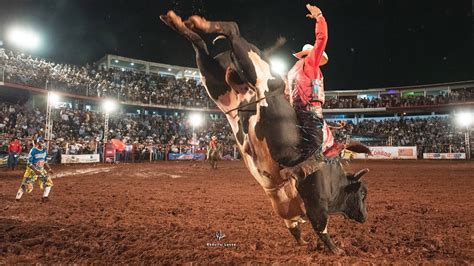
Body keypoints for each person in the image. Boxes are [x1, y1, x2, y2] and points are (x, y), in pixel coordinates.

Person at [280, 3, 330, 181]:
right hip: (310, 110)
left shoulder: (293, 69)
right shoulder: (311, 63)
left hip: (294, 111)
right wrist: (320, 17)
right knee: (317, 150)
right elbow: (322, 39)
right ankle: (298, 173)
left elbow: (287, 92)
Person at [15, 136, 54, 202]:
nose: (44, 143)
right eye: (42, 141)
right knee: (28, 186)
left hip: (41, 170)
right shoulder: (33, 150)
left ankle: (45, 197)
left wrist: (49, 169)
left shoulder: (44, 150)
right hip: (32, 170)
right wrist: (36, 171)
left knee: (48, 182)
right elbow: (29, 163)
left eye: (44, 142)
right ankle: (18, 198)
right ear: (38, 142)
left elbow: (45, 161)